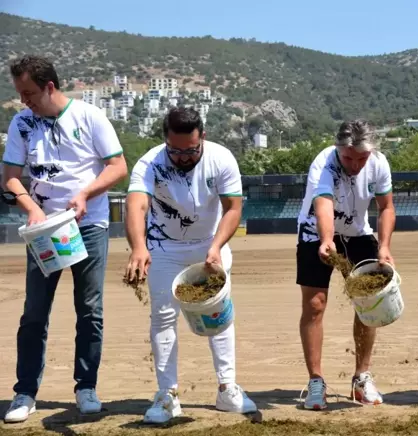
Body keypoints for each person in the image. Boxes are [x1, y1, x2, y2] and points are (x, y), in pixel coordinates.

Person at [2, 55, 128, 423]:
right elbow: (9, 175)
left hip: (88, 225)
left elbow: (118, 166)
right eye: (20, 93)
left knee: (90, 309)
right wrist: (30, 206)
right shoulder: (21, 123)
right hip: (45, 229)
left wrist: (86, 194)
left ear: (50, 87)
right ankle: (25, 393)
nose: (24, 100)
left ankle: (86, 387)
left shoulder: (89, 116)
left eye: (29, 93)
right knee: (34, 312)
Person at [124, 106, 257, 424]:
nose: (183, 157)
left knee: (218, 315)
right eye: (176, 150)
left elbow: (232, 209)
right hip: (165, 248)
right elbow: (136, 204)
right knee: (163, 317)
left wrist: (215, 247)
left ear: (203, 138)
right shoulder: (150, 163)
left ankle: (227, 389)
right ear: (165, 141)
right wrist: (139, 247)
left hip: (210, 246)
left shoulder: (221, 158)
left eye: (191, 150)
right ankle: (167, 395)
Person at [296, 119, 396, 410]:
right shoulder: (324, 163)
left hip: (359, 233)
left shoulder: (378, 164)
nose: (354, 165)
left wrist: (385, 246)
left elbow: (387, 207)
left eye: (361, 159)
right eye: (348, 158)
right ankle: (316, 381)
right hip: (315, 232)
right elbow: (323, 201)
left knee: (369, 303)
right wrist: (327, 239)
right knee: (315, 304)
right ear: (338, 150)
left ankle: (361, 378)